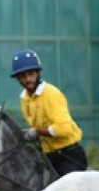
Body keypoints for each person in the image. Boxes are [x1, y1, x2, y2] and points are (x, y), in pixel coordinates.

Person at [10, 49, 88, 177]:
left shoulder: (51, 94)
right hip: (47, 157)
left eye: (31, 74)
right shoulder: (24, 99)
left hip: (68, 156)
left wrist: (37, 131)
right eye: (23, 76)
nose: (28, 79)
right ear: (18, 78)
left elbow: (64, 128)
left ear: (38, 72)